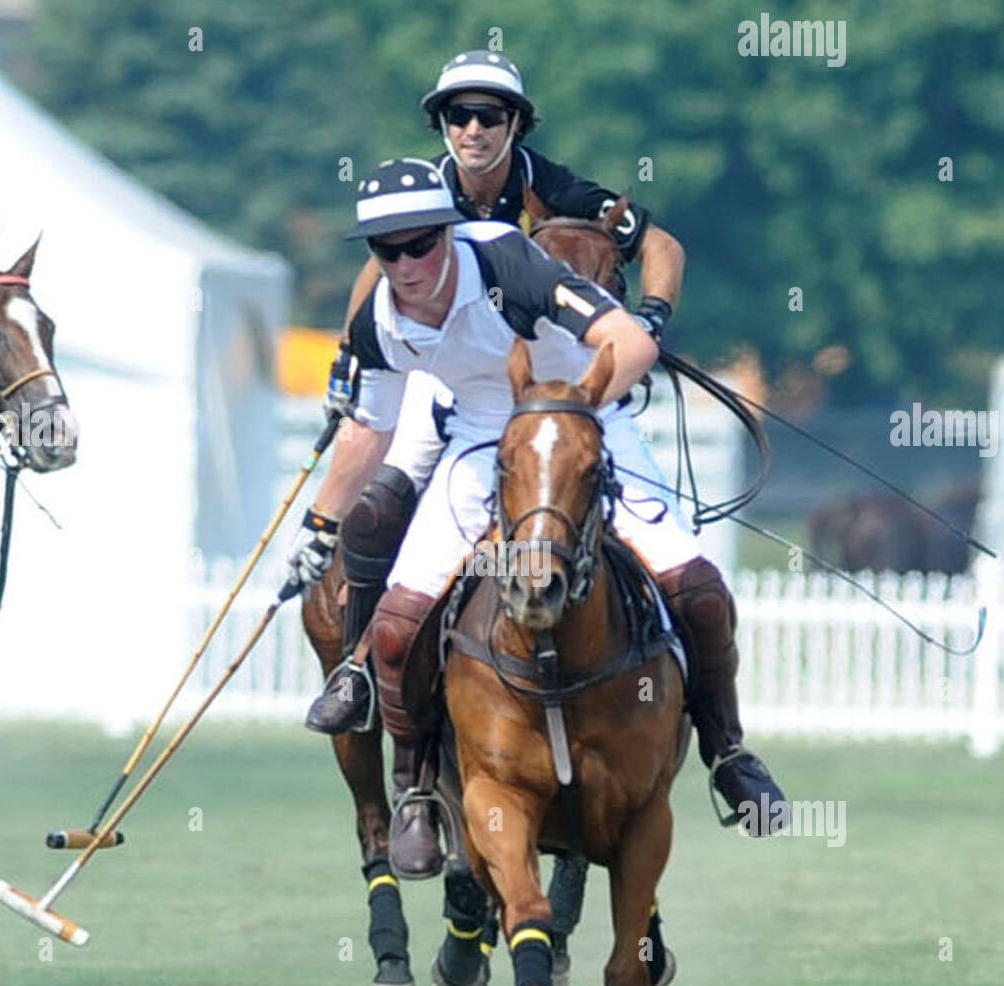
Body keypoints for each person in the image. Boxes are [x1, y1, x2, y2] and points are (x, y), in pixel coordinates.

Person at [288, 158, 786, 881]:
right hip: (479, 438)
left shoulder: (506, 266)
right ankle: (415, 796)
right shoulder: (380, 321)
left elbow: (632, 342)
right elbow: (370, 430)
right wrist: (320, 526)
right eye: (386, 250)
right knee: (393, 627)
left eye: (420, 243)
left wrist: (570, 414)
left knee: (699, 589)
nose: (406, 264)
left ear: (446, 233)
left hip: (582, 416)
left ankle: (729, 753)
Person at [305, 50, 683, 738]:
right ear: (441, 125)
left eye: (488, 115)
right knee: (382, 501)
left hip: (552, 381)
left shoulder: (557, 188)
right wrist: (345, 359)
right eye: (458, 115)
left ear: (516, 125)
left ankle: (705, 722)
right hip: (446, 374)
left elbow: (661, 245)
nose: (472, 129)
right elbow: (379, 278)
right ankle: (359, 665)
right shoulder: (424, 190)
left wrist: (649, 316)